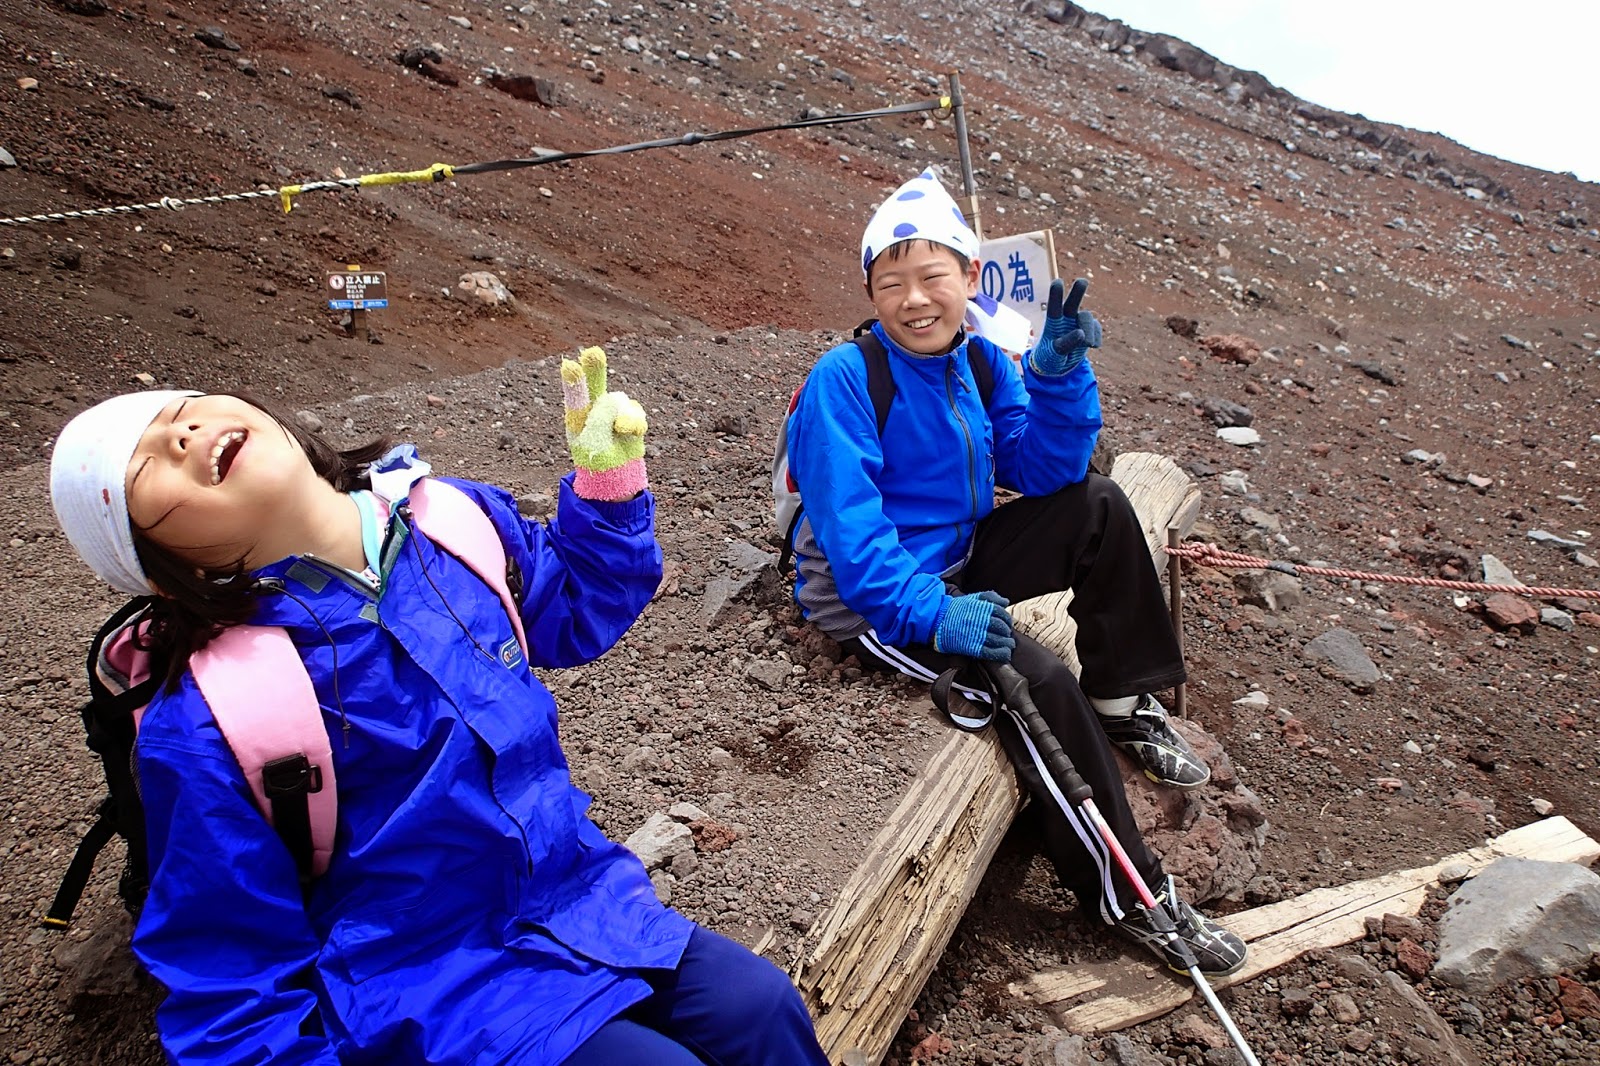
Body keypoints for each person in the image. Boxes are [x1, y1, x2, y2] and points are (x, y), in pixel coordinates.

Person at [49, 349, 830, 1065]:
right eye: (144, 465)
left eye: (179, 410)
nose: (180, 433)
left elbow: (573, 609)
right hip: (424, 986)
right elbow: (230, 972)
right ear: (159, 569)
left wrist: (607, 490)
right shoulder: (209, 713)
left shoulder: (449, 519)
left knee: (763, 1009)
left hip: (579, 898)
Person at [781, 168, 1247, 976]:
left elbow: (1044, 471)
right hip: (875, 602)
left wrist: (1057, 380)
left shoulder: (981, 364)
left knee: (1099, 504)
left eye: (933, 277)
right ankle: (1134, 897)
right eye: (891, 283)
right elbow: (854, 545)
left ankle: (1121, 701)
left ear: (970, 277)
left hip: (958, 557)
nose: (914, 300)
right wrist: (936, 614)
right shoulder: (845, 380)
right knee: (1039, 685)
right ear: (870, 292)